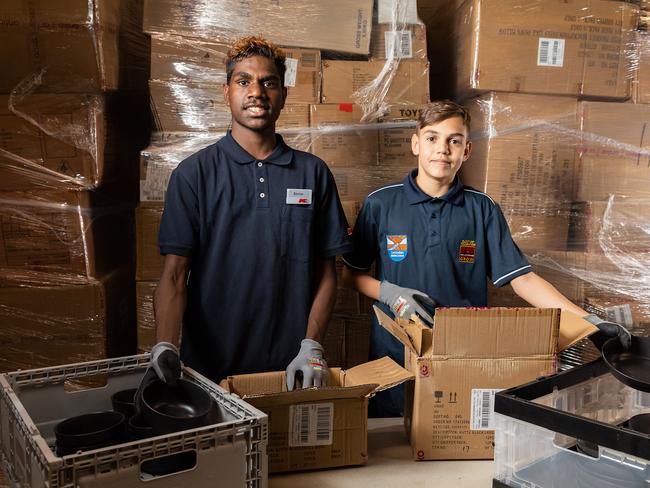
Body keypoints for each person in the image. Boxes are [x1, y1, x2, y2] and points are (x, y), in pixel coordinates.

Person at [342, 100, 629, 417]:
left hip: (462, 356)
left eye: (454, 140)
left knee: (453, 438)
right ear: (415, 143)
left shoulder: (482, 209)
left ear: (467, 151)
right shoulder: (381, 203)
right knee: (393, 447)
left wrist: (589, 321)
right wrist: (391, 294)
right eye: (432, 138)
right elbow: (350, 275)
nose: (443, 149)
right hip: (395, 354)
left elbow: (523, 279)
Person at [150, 36, 352, 390]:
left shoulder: (313, 173)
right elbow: (174, 275)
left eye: (268, 82)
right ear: (227, 92)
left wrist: (312, 345)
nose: (256, 91)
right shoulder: (193, 174)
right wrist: (166, 345)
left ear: (283, 95)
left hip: (292, 371)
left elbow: (326, 271)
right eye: (244, 81)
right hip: (210, 374)